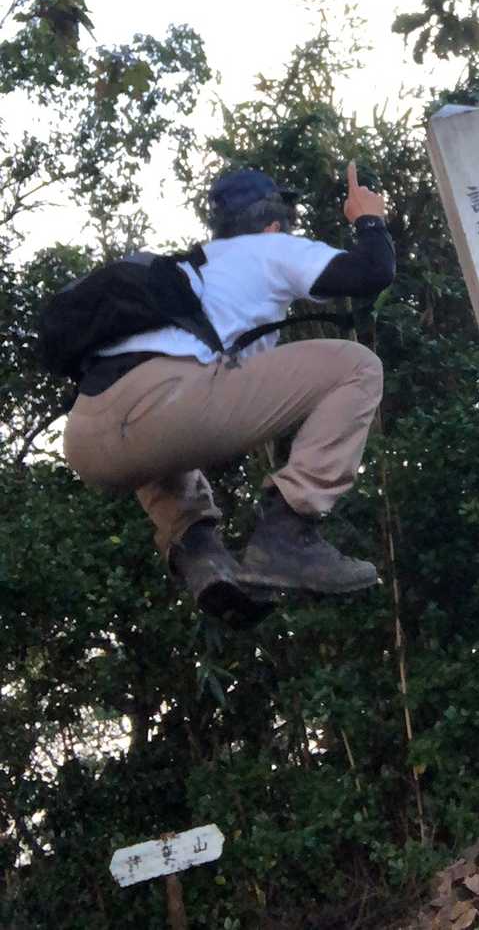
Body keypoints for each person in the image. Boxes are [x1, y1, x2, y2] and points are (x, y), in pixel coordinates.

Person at [63, 162, 394, 621]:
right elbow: (371, 272)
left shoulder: (187, 270)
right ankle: (288, 530)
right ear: (273, 224)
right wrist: (368, 219)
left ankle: (199, 551)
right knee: (357, 366)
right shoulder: (268, 248)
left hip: (86, 440)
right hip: (168, 406)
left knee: (167, 430)